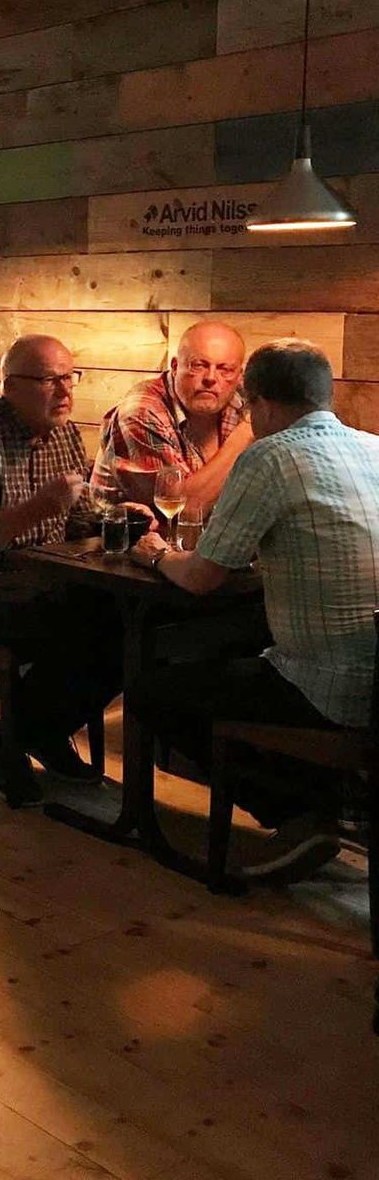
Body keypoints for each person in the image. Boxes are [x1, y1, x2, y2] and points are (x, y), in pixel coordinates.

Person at [126, 340, 379, 881]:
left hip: (327, 688)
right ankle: (331, 799)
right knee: (241, 642)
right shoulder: (373, 449)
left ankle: (304, 814)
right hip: (374, 673)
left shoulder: (270, 455)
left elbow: (200, 578)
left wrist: (156, 553)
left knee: (151, 692)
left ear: (257, 402)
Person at [0, 334, 129, 808]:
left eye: (69, 377)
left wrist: (113, 516)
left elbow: (74, 519)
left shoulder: (65, 433)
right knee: (78, 633)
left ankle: (34, 731)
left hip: (39, 580)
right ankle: (18, 738)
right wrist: (38, 508)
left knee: (124, 626)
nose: (65, 391)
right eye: (49, 380)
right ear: (10, 386)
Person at [91, 321, 252, 511]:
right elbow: (184, 510)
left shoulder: (245, 398)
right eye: (198, 365)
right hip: (125, 537)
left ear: (239, 375)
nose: (211, 378)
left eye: (225, 369)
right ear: (175, 366)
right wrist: (247, 432)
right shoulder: (141, 411)